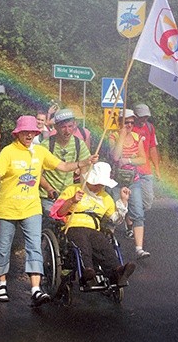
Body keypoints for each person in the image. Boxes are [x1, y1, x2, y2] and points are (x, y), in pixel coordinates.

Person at [0, 115, 98, 306]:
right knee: (3, 247)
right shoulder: (8, 152)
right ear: (18, 133)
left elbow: (62, 166)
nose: (29, 135)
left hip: (31, 208)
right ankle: (2, 283)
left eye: (32, 132)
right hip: (7, 209)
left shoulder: (39, 151)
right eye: (25, 132)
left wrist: (83, 163)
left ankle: (35, 289)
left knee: (34, 247)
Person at [49, 162, 136, 286]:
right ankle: (87, 271)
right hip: (73, 226)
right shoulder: (73, 189)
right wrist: (72, 200)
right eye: (97, 183)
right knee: (82, 242)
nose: (99, 186)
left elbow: (115, 219)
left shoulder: (106, 198)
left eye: (102, 184)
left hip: (93, 228)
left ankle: (117, 271)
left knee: (104, 244)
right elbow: (58, 213)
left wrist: (123, 201)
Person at [108, 109, 150, 259]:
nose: (130, 125)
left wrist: (130, 160)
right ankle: (108, 243)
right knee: (114, 214)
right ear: (121, 123)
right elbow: (115, 156)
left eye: (132, 122)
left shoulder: (137, 137)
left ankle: (139, 248)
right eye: (127, 122)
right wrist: (122, 135)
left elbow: (143, 159)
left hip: (133, 181)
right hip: (117, 182)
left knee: (138, 213)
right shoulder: (113, 136)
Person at [39, 108, 91, 215]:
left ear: (75, 125)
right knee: (51, 222)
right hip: (48, 196)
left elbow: (84, 171)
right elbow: (38, 173)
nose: (67, 131)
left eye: (70, 126)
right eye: (63, 127)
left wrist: (84, 191)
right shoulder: (46, 145)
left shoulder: (79, 144)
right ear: (56, 127)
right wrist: (49, 189)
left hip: (68, 195)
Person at [132, 103, 161, 211]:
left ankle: (134, 216)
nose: (144, 119)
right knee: (131, 200)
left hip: (145, 171)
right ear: (135, 115)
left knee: (147, 201)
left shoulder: (150, 127)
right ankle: (134, 223)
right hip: (132, 169)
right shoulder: (129, 126)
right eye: (141, 116)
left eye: (146, 117)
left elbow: (153, 148)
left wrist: (157, 169)